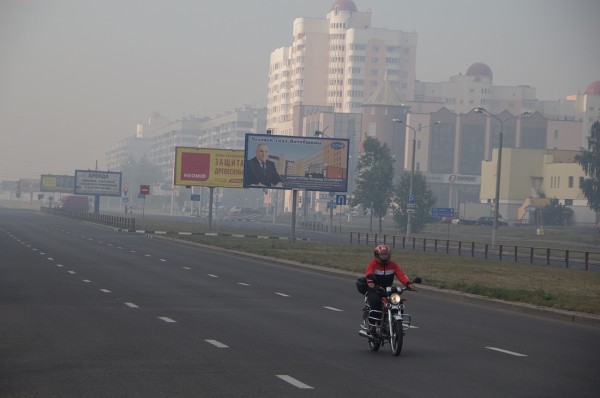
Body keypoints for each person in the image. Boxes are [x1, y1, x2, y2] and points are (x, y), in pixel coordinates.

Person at [364, 244, 416, 335]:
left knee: (398, 302)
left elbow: (401, 275)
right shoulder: (373, 264)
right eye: (382, 254)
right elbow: (369, 272)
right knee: (375, 302)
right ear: (377, 255)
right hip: (375, 289)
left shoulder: (393, 265)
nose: (384, 256)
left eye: (386, 254)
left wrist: (408, 283)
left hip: (388, 290)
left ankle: (397, 325)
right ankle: (373, 326)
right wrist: (370, 281)